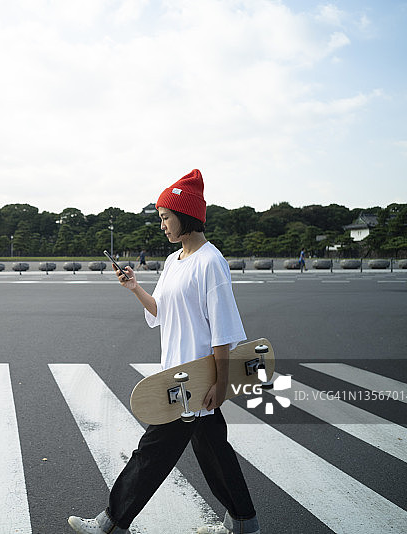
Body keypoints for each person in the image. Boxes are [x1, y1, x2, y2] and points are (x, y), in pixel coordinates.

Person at [67, 170, 260, 534]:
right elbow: (162, 311)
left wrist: (220, 382)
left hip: (195, 379)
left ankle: (111, 522)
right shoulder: (175, 262)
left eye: (166, 218)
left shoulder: (210, 262)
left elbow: (222, 330)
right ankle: (244, 523)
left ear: (185, 216)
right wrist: (135, 288)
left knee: (152, 452)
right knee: (215, 454)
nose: (162, 226)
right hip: (177, 374)